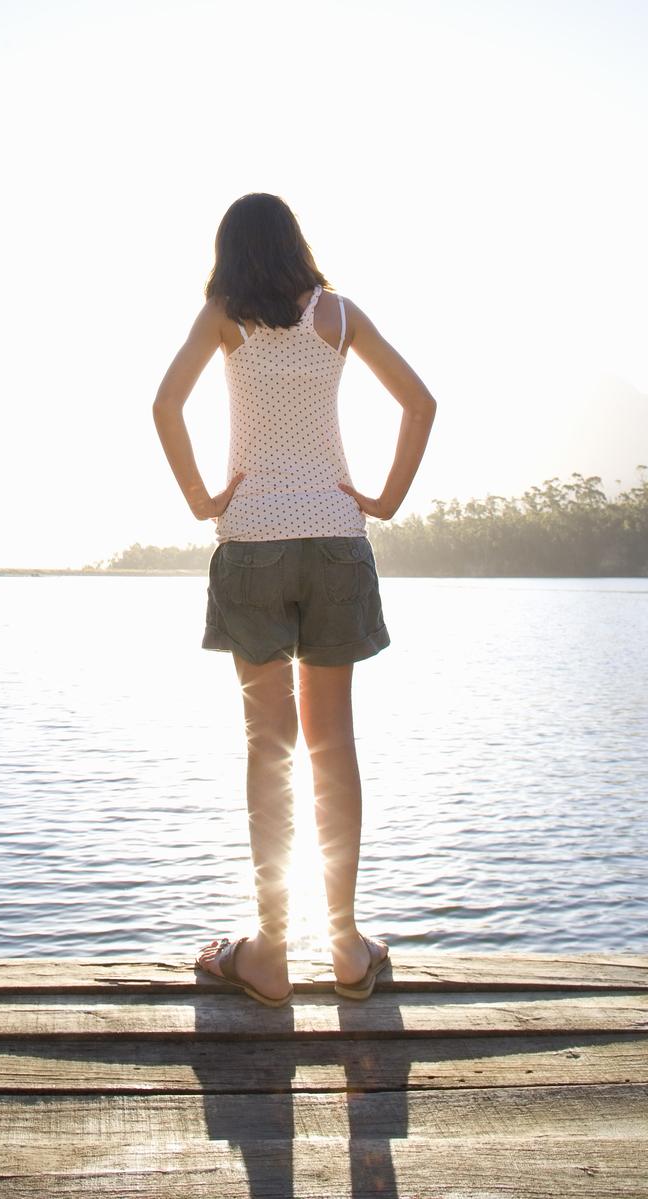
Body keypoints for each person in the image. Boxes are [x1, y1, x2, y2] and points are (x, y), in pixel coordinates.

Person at [153, 194, 436, 1004]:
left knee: (268, 745)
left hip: (252, 547)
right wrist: (384, 498)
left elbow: (164, 404)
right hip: (336, 542)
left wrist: (202, 497)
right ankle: (347, 947)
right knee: (332, 744)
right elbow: (422, 403)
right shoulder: (339, 317)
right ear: (296, 245)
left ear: (231, 253)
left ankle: (271, 950)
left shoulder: (223, 319)